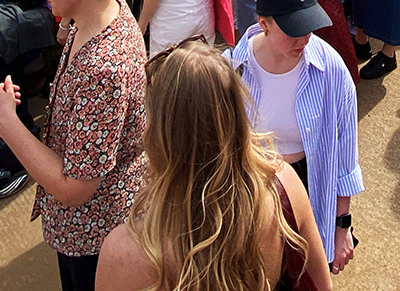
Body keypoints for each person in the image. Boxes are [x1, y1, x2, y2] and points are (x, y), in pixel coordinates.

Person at [0, 0, 148, 291]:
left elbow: (75, 187)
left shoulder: (102, 71)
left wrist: (5, 121)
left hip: (94, 229)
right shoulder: (107, 6)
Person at [95, 38, 333, 291]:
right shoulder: (282, 187)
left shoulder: (125, 251)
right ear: (236, 115)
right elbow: (322, 285)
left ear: (159, 136)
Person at [224, 0, 363, 273]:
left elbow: (345, 157)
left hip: (309, 186)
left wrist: (342, 228)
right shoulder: (230, 70)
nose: (304, 39)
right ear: (263, 24)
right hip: (251, 192)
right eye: (293, 29)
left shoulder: (332, 70)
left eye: (308, 27)